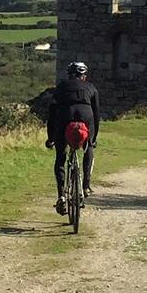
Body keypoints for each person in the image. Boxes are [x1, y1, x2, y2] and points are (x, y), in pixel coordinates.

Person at [46, 61, 100, 213]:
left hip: (64, 116)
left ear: (69, 75)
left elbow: (52, 114)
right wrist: (93, 138)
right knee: (88, 148)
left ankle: (61, 196)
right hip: (86, 115)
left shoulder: (61, 87)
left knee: (61, 156)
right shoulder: (91, 87)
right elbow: (96, 115)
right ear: (84, 76)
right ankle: (86, 186)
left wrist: (51, 138)